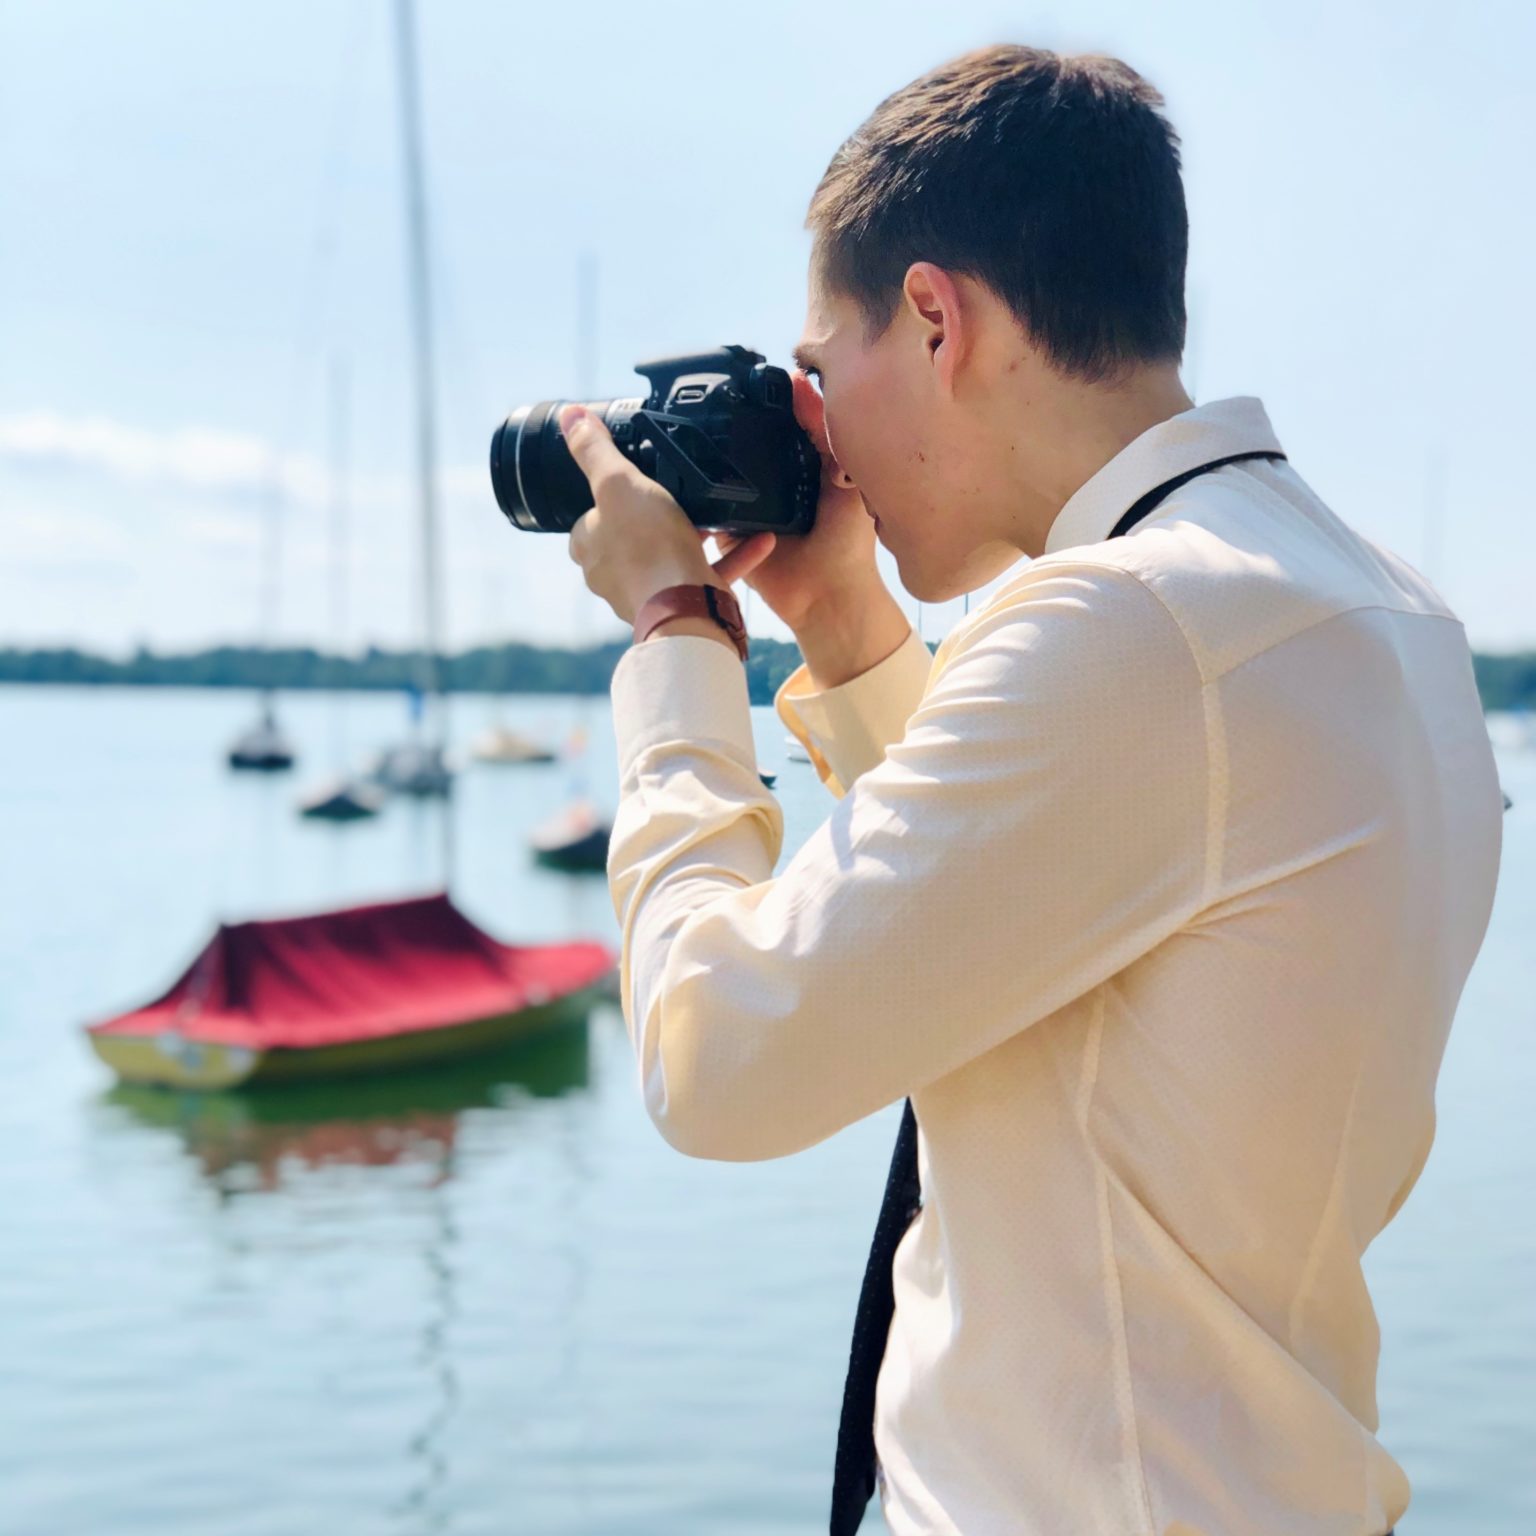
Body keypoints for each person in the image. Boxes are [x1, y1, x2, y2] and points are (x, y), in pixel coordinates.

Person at [560, 43, 1502, 1536]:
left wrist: (677, 641)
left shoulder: (1130, 630)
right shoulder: (1380, 613)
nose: (825, 430)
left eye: (823, 367)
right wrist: (853, 628)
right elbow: (1049, 919)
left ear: (936, 318)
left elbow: (717, 1053)